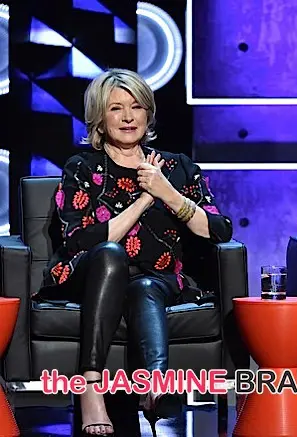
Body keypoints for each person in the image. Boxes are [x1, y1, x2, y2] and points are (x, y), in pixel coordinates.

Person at [34, 68, 233, 436]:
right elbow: (80, 240)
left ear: (148, 114)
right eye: (116, 108)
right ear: (99, 118)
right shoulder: (82, 168)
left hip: (157, 278)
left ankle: (155, 387)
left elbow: (219, 230)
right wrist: (144, 199)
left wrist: (167, 192)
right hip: (93, 273)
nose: (128, 117)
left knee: (145, 287)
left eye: (136, 107)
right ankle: (91, 386)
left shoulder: (176, 167)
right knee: (111, 253)